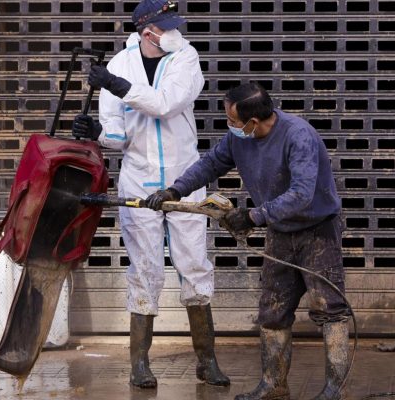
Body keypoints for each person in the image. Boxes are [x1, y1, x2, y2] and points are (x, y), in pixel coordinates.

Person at [147, 82, 351, 400]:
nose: (230, 126)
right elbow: (210, 164)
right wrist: (176, 189)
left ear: (252, 122)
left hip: (317, 232)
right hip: (280, 232)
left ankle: (335, 389)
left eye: (232, 120)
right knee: (272, 312)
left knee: (330, 310)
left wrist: (254, 216)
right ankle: (273, 386)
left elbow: (301, 194)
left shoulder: (299, 136)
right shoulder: (238, 138)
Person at [71, 0, 229, 389]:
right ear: (148, 32)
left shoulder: (185, 58)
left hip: (184, 178)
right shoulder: (118, 66)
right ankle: (139, 363)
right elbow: (117, 136)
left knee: (193, 264)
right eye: (167, 25)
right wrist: (96, 134)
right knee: (144, 270)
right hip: (138, 179)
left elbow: (166, 105)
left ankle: (206, 360)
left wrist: (117, 86)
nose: (174, 31)